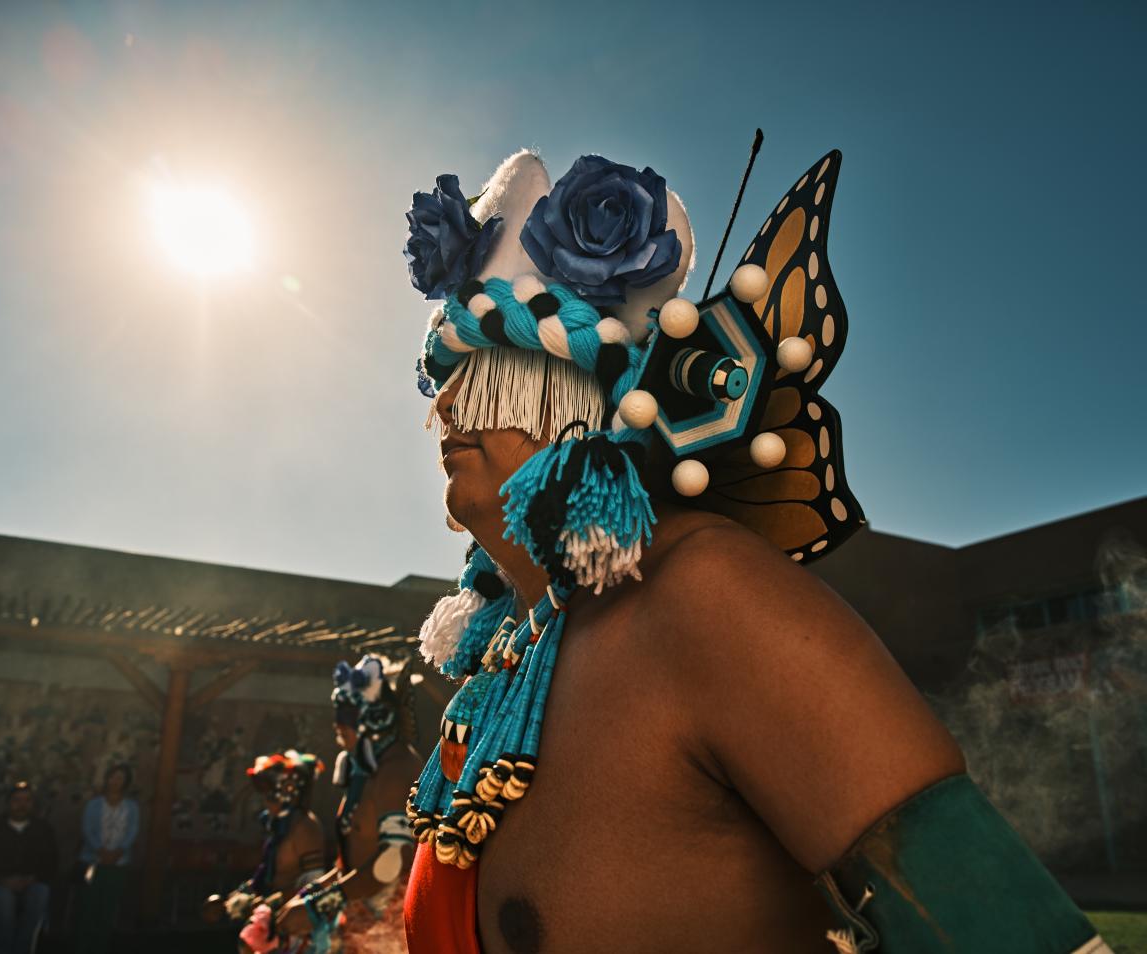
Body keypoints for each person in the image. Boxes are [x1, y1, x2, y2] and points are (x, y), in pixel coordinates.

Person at [397, 149, 1111, 952]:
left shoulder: (706, 594)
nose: (449, 409)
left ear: (574, 403)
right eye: (446, 384)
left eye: (488, 378)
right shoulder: (504, 657)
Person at [272, 656, 421, 952]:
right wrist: (309, 895)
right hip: (357, 920)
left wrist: (318, 907)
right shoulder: (368, 770)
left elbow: (392, 864)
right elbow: (350, 864)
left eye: (346, 720)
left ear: (374, 718)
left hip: (388, 933)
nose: (337, 728)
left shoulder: (396, 771)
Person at [209, 750, 325, 951]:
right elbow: (265, 874)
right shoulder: (278, 826)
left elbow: (316, 885)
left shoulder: (305, 828)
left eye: (269, 793)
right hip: (273, 922)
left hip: (295, 928)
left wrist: (272, 903)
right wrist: (235, 899)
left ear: (289, 790)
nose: (264, 800)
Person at [0, 780, 57, 954]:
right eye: (17, 800)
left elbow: (52, 862)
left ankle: (23, 948)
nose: (22, 805)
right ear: (8, 803)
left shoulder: (43, 830)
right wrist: (0, 880)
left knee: (41, 893)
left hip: (30, 884)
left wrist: (33, 878)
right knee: (4, 897)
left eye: (27, 800)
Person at [74, 763, 139, 954]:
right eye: (113, 777)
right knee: (88, 905)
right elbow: (87, 829)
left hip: (118, 863)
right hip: (92, 861)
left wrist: (119, 851)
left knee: (108, 907)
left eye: (120, 778)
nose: (116, 781)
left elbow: (132, 830)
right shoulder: (94, 804)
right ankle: (81, 946)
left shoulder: (131, 807)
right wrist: (100, 851)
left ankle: (100, 946)